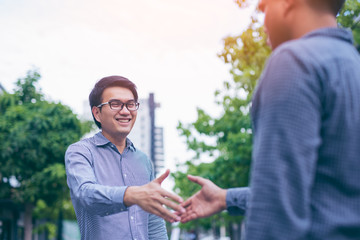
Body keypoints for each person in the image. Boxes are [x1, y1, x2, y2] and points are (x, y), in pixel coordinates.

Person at [180, 0, 360, 239]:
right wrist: (226, 198)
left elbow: (275, 211)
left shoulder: (295, 61)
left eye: (263, 8)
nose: (263, 20)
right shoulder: (352, 65)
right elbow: (325, 193)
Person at [65, 76, 184, 240]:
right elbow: (86, 194)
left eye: (131, 104)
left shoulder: (143, 161)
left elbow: (154, 225)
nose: (126, 111)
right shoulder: (80, 152)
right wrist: (130, 195)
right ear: (97, 113)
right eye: (115, 104)